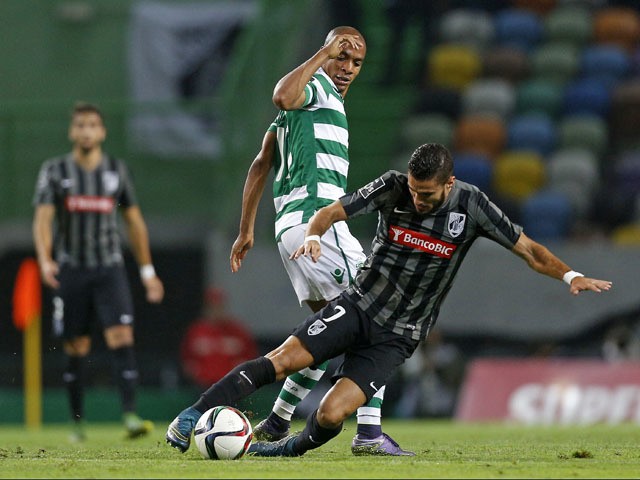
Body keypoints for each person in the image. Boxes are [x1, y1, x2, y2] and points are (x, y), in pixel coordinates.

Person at [167, 143, 612, 457]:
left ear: (449, 183)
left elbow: (528, 249)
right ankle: (191, 414)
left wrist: (570, 274)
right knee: (283, 358)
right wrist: (316, 237)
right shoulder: (393, 186)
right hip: (359, 305)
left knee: (330, 413)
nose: (418, 199)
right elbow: (331, 210)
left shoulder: (471, 204)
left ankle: (288, 448)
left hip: (399, 336)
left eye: (428, 194)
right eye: (415, 191)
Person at [228, 25, 411, 455]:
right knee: (378, 318)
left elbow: (260, 165)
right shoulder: (316, 91)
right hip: (318, 228)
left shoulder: (295, 118)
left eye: (355, 62)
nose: (346, 68)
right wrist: (319, 55)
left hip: (289, 230)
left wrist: (246, 229)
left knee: (324, 335)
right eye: (340, 57)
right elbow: (282, 94)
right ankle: (369, 432)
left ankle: (276, 421)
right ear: (326, 55)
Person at [32, 102, 164, 442]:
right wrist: (45, 260)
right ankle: (77, 424)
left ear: (102, 131)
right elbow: (43, 220)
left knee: (122, 336)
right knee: (77, 346)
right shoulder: (55, 169)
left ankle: (131, 415)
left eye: (92, 125)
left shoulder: (116, 171)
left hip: (109, 268)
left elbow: (134, 222)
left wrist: (147, 271)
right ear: (72, 132)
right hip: (71, 270)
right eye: (80, 125)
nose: (86, 131)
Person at [180, 286, 258, 388]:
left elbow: (251, 358)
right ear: (206, 308)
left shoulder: (237, 331)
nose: (216, 310)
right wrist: (197, 373)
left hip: (233, 386)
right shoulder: (196, 331)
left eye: (219, 306)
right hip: (203, 387)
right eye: (212, 307)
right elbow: (186, 360)